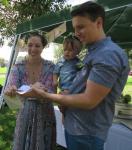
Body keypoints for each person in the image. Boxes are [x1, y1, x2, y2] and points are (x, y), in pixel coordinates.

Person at [20, 1, 130, 150]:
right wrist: (69, 93)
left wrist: (46, 96)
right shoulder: (96, 51)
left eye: (81, 27)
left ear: (98, 22)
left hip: (86, 131)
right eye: (75, 28)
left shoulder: (107, 54)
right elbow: (85, 88)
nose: (76, 33)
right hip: (78, 127)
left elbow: (89, 100)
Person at [4, 32, 56, 150]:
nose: (33, 49)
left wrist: (24, 91)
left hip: (45, 113)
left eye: (37, 46)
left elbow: (50, 93)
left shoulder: (50, 66)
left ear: (43, 47)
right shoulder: (18, 66)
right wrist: (11, 90)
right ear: (26, 46)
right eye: (30, 45)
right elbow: (11, 88)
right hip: (25, 112)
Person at [53, 34, 82, 122]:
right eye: (65, 50)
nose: (67, 52)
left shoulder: (78, 62)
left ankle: (67, 119)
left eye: (70, 50)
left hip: (74, 90)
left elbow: (83, 73)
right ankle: (64, 117)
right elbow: (55, 72)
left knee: (71, 108)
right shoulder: (61, 62)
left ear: (77, 52)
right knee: (62, 106)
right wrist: (55, 81)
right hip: (63, 89)